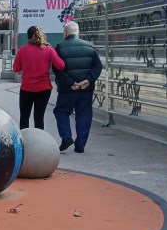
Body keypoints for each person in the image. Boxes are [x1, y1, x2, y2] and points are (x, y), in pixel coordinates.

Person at [53, 21, 103, 153]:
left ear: (65, 33)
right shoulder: (90, 47)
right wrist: (88, 80)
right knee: (84, 114)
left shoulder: (60, 47)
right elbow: (98, 66)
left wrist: (71, 83)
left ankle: (66, 137)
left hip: (67, 90)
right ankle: (80, 144)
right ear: (78, 33)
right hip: (85, 89)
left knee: (61, 112)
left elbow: (58, 69)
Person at [12, 25, 65, 130]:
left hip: (26, 89)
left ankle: (25, 142)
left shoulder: (22, 50)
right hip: (44, 88)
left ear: (28, 37)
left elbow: (16, 68)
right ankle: (40, 143)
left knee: (24, 117)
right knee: (39, 118)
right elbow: (61, 65)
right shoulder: (48, 49)